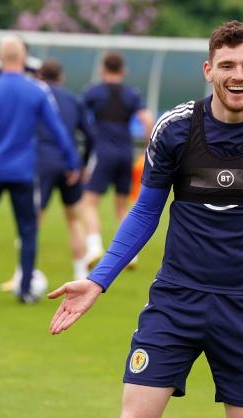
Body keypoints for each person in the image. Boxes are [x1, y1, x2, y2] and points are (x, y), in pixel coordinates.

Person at [48, 20, 243, 418]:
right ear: (208, 70)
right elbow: (145, 212)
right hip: (175, 300)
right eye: (227, 65)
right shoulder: (174, 128)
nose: (238, 75)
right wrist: (97, 280)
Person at [0, 35, 80, 303]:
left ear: (0, 58)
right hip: (23, 173)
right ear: (24, 58)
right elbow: (58, 130)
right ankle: (25, 290)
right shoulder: (36, 91)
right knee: (27, 231)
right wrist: (72, 162)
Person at [81, 51, 154, 268]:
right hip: (125, 153)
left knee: (89, 202)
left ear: (102, 69)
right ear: (123, 71)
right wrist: (149, 147)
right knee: (122, 206)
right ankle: (130, 254)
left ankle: (94, 247)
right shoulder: (131, 94)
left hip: (103, 152)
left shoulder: (93, 92)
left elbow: (80, 116)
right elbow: (147, 119)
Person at [36, 59, 95, 280]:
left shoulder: (36, 96)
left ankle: (23, 273)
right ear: (61, 77)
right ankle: (81, 274)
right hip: (70, 166)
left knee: (33, 221)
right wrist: (83, 164)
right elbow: (91, 135)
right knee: (74, 220)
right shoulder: (73, 99)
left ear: (39, 76)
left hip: (42, 163)